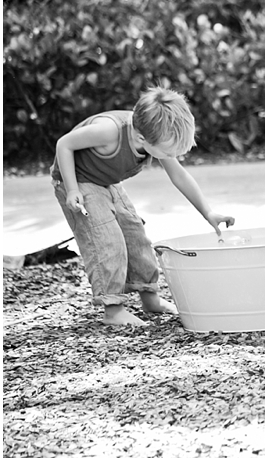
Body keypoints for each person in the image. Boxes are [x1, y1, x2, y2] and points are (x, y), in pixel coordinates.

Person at [50, 86, 235, 326]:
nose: (173, 156)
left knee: (135, 233)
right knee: (106, 238)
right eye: (170, 152)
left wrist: (208, 212)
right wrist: (72, 188)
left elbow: (179, 176)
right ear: (141, 139)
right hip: (77, 180)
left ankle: (150, 297)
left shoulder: (153, 133)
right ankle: (113, 309)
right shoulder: (109, 132)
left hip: (106, 181)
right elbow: (64, 144)